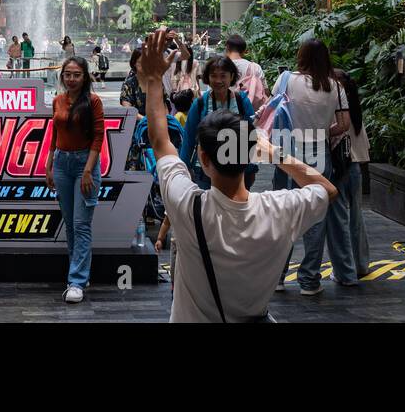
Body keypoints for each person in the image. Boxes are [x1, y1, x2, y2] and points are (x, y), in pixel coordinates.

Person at [138, 28, 336, 322]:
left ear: (204, 159)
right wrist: (274, 153)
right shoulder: (279, 209)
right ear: (249, 153)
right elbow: (327, 189)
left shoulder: (187, 205)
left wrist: (153, 80)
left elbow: (160, 142)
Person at [275, 38, 354, 295]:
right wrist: (321, 130)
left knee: (285, 213)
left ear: (302, 56)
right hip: (320, 152)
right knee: (316, 217)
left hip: (289, 152)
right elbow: (343, 124)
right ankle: (309, 281)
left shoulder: (286, 80)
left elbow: (272, 110)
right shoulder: (335, 86)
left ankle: (277, 276)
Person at [45, 55, 104, 303]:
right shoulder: (58, 100)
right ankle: (78, 275)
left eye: (76, 75)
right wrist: (49, 166)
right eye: (67, 74)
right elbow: (54, 134)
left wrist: (89, 170)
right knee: (70, 224)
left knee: (81, 224)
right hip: (61, 164)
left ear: (85, 76)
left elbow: (98, 138)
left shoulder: (93, 101)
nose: (71, 79)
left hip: (84, 165)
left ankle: (77, 281)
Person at [178, 55, 257, 190]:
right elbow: (189, 138)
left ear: (231, 77)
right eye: (214, 76)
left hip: (237, 170)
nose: (218, 80)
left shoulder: (241, 101)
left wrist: (250, 167)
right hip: (205, 170)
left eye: (223, 76)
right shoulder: (200, 104)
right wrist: (183, 169)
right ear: (207, 78)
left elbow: (251, 136)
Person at [332, 68, 370, 277]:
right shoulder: (355, 108)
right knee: (356, 217)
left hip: (339, 167)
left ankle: (345, 269)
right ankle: (361, 265)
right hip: (355, 166)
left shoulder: (337, 108)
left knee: (340, 219)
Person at [224, 33, 268, 108]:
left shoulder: (220, 66)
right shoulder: (255, 67)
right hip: (250, 112)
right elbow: (265, 91)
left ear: (227, 48)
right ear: (244, 51)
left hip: (226, 111)